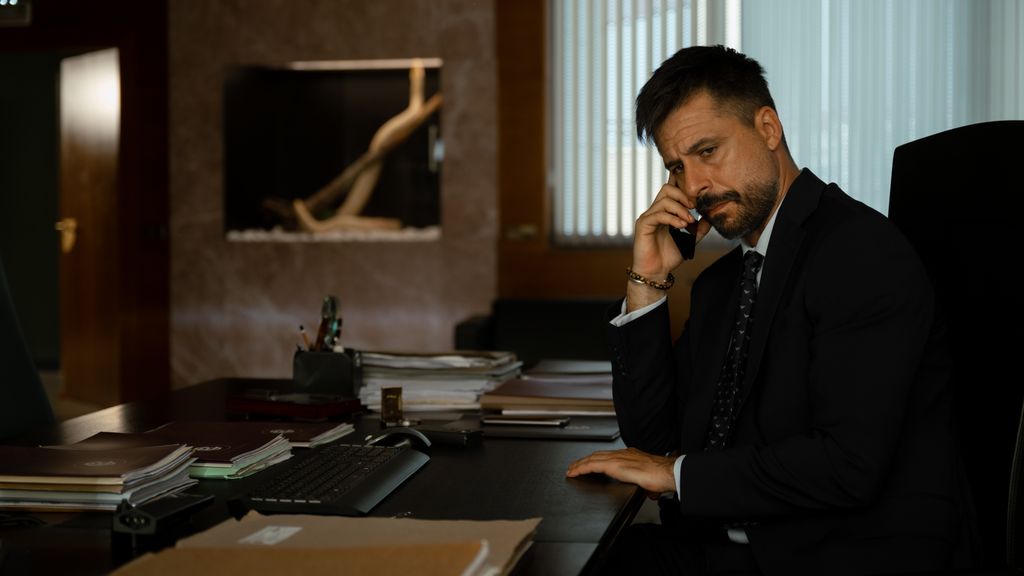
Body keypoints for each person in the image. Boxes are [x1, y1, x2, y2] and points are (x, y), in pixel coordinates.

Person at [565, 45, 973, 575]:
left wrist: (676, 476)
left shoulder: (858, 252)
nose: (694, 186)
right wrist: (649, 281)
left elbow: (847, 465)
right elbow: (653, 442)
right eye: (677, 167)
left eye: (708, 151)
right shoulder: (723, 283)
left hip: (836, 557)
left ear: (768, 128)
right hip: (730, 545)